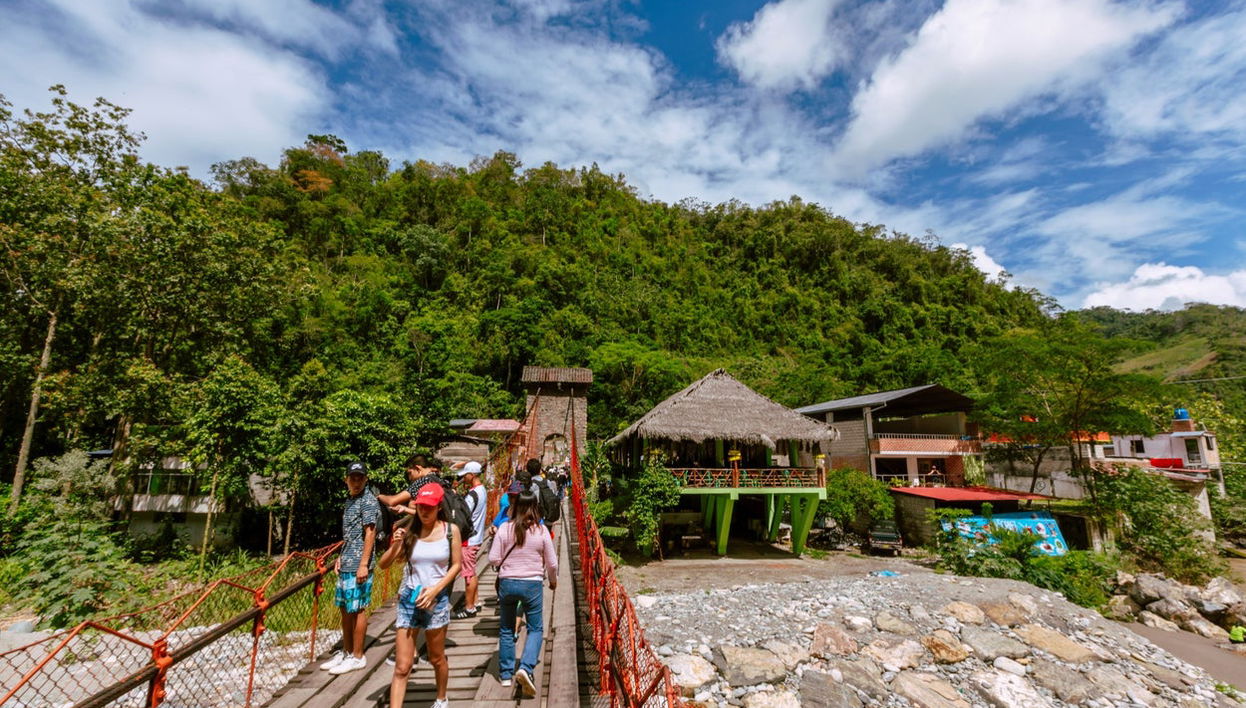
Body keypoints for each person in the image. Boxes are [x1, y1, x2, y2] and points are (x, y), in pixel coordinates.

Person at [378, 482, 462, 708]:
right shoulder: (410, 531)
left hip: (436, 600)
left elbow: (456, 566)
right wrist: (395, 545)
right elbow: (383, 565)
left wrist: (436, 589)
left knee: (436, 658)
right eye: (421, 506)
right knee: (402, 666)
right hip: (410, 599)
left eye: (430, 507)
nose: (425, 511)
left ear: (439, 508)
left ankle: (441, 697)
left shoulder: (450, 531)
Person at [489, 490, 557, 697]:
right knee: (536, 628)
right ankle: (526, 667)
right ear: (535, 507)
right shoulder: (541, 531)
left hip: (507, 584)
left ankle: (506, 674)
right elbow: (552, 563)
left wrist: (506, 564)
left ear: (514, 507)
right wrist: (553, 581)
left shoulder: (504, 528)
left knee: (506, 628)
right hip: (532, 584)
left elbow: (493, 559)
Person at [320, 462, 378, 676]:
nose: (355, 481)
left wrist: (363, 564)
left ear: (366, 479)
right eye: (352, 477)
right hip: (347, 561)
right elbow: (350, 534)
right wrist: (341, 558)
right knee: (345, 607)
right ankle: (346, 651)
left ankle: (357, 655)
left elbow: (369, 533)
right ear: (346, 479)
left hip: (359, 564)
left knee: (358, 608)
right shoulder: (350, 500)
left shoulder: (368, 501)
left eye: (359, 477)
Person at [452, 461, 488, 619]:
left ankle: (469, 607)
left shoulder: (473, 495)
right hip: (477, 536)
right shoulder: (482, 490)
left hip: (469, 539)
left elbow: (462, 514)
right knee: (471, 571)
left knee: (468, 574)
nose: (463, 478)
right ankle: (475, 601)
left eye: (465, 475)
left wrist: (453, 496)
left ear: (472, 475)